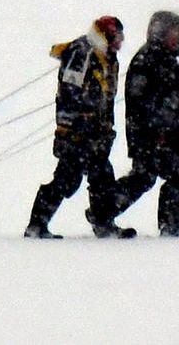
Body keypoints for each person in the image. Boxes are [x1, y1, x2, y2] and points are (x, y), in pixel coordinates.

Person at [23, 16, 135, 239]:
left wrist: (105, 127)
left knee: (102, 177)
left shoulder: (109, 59)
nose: (118, 44)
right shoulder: (81, 52)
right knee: (67, 179)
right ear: (104, 36)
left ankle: (103, 224)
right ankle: (36, 225)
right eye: (115, 38)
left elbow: (107, 97)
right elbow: (68, 92)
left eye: (120, 39)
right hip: (76, 133)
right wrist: (74, 124)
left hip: (97, 133)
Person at [111, 10, 179, 237]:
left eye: (178, 33)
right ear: (159, 32)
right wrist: (160, 130)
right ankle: (169, 226)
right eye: (173, 32)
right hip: (153, 136)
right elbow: (142, 103)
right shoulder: (147, 60)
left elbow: (176, 99)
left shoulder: (164, 60)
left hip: (169, 135)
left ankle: (105, 210)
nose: (177, 37)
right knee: (157, 175)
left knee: (148, 176)